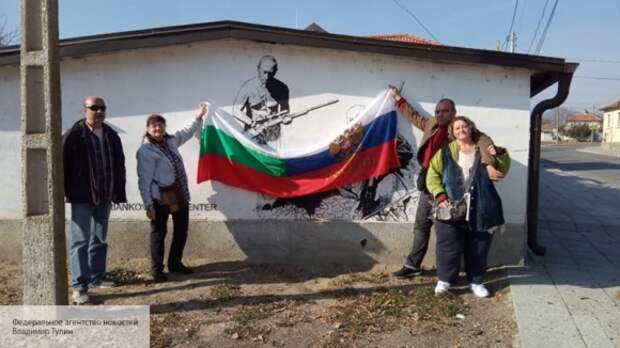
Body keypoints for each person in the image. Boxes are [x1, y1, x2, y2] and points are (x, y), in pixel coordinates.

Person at [389, 86, 505, 278]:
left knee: (454, 229)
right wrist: (397, 98)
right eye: (437, 111)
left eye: (445, 111)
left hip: (453, 189)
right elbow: (414, 117)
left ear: (454, 113)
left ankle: (456, 270)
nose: (440, 114)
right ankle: (413, 266)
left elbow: (484, 140)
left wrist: (489, 164)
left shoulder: (461, 129)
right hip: (429, 185)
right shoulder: (432, 125)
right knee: (421, 225)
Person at [426, 116, 510, 297]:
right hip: (451, 208)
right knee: (448, 246)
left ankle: (477, 282)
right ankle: (445, 280)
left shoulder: (484, 151)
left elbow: (502, 169)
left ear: (470, 129)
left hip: (481, 207)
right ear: (452, 133)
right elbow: (432, 175)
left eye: (464, 126)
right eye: (457, 128)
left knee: (479, 246)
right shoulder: (445, 152)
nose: (461, 130)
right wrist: (440, 196)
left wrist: (501, 154)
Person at [63, 96, 127, 304]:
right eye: (94, 108)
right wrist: (67, 192)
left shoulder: (110, 134)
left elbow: (119, 164)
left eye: (102, 108)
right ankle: (79, 288)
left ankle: (96, 277)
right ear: (85, 110)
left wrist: (118, 190)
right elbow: (63, 167)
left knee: (99, 238)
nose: (98, 111)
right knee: (80, 241)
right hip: (83, 197)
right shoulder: (74, 135)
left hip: (105, 195)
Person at [137, 103, 207, 282]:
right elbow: (144, 180)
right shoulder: (145, 151)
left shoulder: (170, 141)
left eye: (160, 125)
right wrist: (148, 204)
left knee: (181, 230)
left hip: (179, 191)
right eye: (153, 125)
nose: (157, 128)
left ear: (164, 127)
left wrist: (197, 117)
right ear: (148, 129)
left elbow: (186, 131)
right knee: (159, 233)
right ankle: (156, 270)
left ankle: (175, 263)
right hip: (159, 195)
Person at [232, 55, 290, 144]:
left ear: (275, 71)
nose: (266, 77)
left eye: (270, 73)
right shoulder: (248, 86)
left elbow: (285, 111)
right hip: (252, 134)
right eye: (264, 72)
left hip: (273, 136)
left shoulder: (282, 88)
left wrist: (286, 119)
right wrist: (254, 124)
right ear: (258, 69)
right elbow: (236, 110)